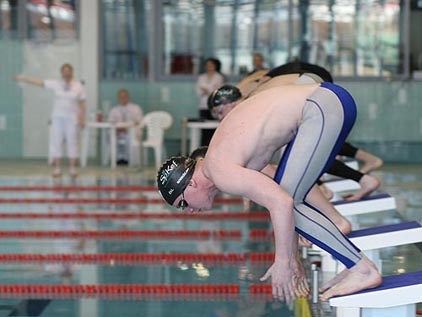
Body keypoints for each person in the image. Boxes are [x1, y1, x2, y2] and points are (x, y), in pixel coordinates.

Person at [157, 83, 381, 302]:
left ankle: (362, 269)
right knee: (290, 195)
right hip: (328, 101)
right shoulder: (222, 157)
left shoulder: (218, 170)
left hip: (321, 108)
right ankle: (355, 263)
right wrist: (292, 258)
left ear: (190, 185)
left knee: (291, 203)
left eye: (183, 204)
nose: (191, 211)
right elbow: (278, 185)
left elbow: (283, 203)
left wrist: (282, 262)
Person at [236, 63, 383, 200]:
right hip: (318, 82)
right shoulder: (264, 85)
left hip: (313, 82)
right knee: (310, 143)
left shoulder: (254, 91)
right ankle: (362, 174)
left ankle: (328, 186)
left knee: (304, 146)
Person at [14, 64, 86, 177]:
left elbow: (82, 102)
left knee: (72, 142)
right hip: (57, 118)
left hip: (72, 119)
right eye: (64, 71)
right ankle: (57, 169)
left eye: (69, 71)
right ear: (61, 73)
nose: (67, 73)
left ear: (72, 72)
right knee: (56, 142)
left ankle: (73, 169)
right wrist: (25, 79)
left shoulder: (78, 86)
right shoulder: (56, 84)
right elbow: (40, 82)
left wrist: (82, 118)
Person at [108, 89, 143, 165]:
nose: (123, 99)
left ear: (128, 97)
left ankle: (128, 160)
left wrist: (128, 127)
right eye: (121, 97)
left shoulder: (135, 108)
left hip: (131, 132)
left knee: (129, 138)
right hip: (118, 132)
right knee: (114, 139)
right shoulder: (114, 110)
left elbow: (139, 121)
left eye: (125, 97)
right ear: (118, 98)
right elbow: (111, 122)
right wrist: (118, 128)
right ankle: (118, 160)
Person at [195, 58, 224, 146]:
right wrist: (209, 91)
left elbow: (217, 91)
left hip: (214, 107)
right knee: (204, 131)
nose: (209, 67)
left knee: (213, 131)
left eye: (211, 65)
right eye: (207, 65)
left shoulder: (218, 77)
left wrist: (208, 91)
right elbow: (198, 91)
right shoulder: (201, 77)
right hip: (203, 106)